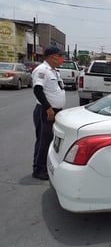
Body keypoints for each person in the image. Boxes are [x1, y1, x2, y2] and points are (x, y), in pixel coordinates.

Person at [32, 46, 66, 180]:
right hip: (46, 111)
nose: (62, 58)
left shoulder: (54, 71)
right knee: (43, 141)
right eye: (60, 56)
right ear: (53, 57)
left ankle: (44, 166)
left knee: (49, 140)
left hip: (54, 111)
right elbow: (38, 90)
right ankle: (38, 169)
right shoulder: (42, 70)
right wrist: (48, 108)